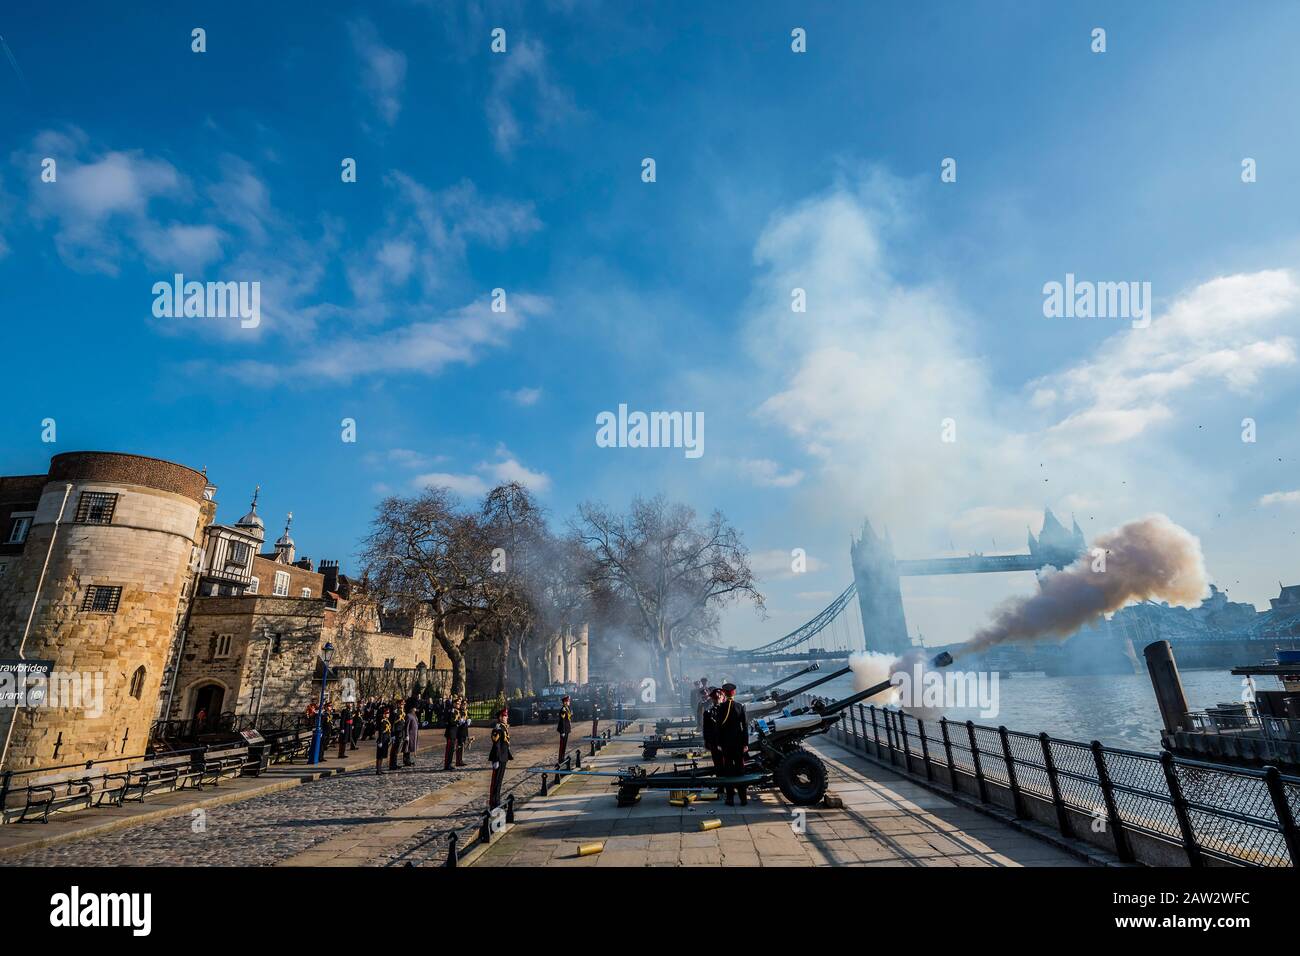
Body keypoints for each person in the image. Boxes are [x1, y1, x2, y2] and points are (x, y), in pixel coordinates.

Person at [715, 682, 749, 806]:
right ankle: (743, 798)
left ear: (724, 693)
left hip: (726, 744)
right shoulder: (740, 706)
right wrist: (745, 743)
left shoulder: (721, 707)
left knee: (728, 771)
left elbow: (718, 727)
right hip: (739, 743)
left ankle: (730, 799)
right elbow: (745, 727)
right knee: (740, 770)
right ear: (734, 693)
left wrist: (719, 743)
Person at [701, 686, 725, 798]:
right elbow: (706, 729)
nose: (716, 700)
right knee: (718, 766)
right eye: (715, 699)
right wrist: (707, 742)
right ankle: (721, 786)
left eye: (718, 698)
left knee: (728, 765)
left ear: (722, 697)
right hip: (715, 743)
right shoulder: (708, 713)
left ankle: (730, 786)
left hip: (726, 743)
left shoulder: (727, 711)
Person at [487, 708, 513, 809]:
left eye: (506, 716)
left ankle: (497, 801)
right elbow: (496, 744)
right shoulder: (498, 728)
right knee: (495, 782)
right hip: (499, 758)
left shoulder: (503, 727)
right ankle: (493, 803)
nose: (506, 718)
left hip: (503, 757)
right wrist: (496, 759)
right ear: (500, 717)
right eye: (504, 716)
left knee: (499, 782)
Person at [555, 694, 572, 767]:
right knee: (562, 745)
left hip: (566, 729)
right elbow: (562, 721)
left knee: (564, 744)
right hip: (563, 730)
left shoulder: (567, 708)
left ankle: (562, 757)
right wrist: (562, 731)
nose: (569, 702)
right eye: (568, 701)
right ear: (565, 702)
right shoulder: (563, 709)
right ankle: (560, 759)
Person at [375, 707, 392, 775]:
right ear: (384, 714)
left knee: (382, 756)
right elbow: (381, 732)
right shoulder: (382, 722)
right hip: (382, 740)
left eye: (388, 713)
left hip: (385, 740)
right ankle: (378, 770)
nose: (388, 714)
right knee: (379, 756)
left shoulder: (386, 720)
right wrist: (380, 741)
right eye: (387, 713)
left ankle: (380, 769)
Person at [455, 699, 470, 767]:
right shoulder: (459, 711)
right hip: (460, 731)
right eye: (463, 704)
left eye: (465, 704)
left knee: (462, 746)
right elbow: (458, 721)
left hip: (464, 731)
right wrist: (461, 721)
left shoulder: (465, 711)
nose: (464, 705)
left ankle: (460, 760)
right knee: (459, 746)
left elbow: (467, 719)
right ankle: (458, 761)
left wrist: (468, 721)